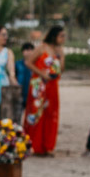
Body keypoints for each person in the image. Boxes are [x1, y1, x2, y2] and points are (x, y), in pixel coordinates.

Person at [24, 25, 63, 156]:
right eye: (61, 36)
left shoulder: (58, 50)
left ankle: (47, 145)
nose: (63, 39)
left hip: (52, 85)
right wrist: (41, 74)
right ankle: (35, 145)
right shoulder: (41, 47)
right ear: (54, 36)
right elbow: (29, 63)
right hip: (39, 85)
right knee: (36, 114)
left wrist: (61, 55)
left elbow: (61, 69)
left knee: (51, 114)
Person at [14, 41, 34, 124]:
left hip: (31, 93)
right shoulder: (17, 64)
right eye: (26, 50)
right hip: (20, 93)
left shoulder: (36, 65)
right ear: (23, 52)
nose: (29, 52)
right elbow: (13, 76)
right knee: (17, 116)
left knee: (31, 117)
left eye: (31, 50)